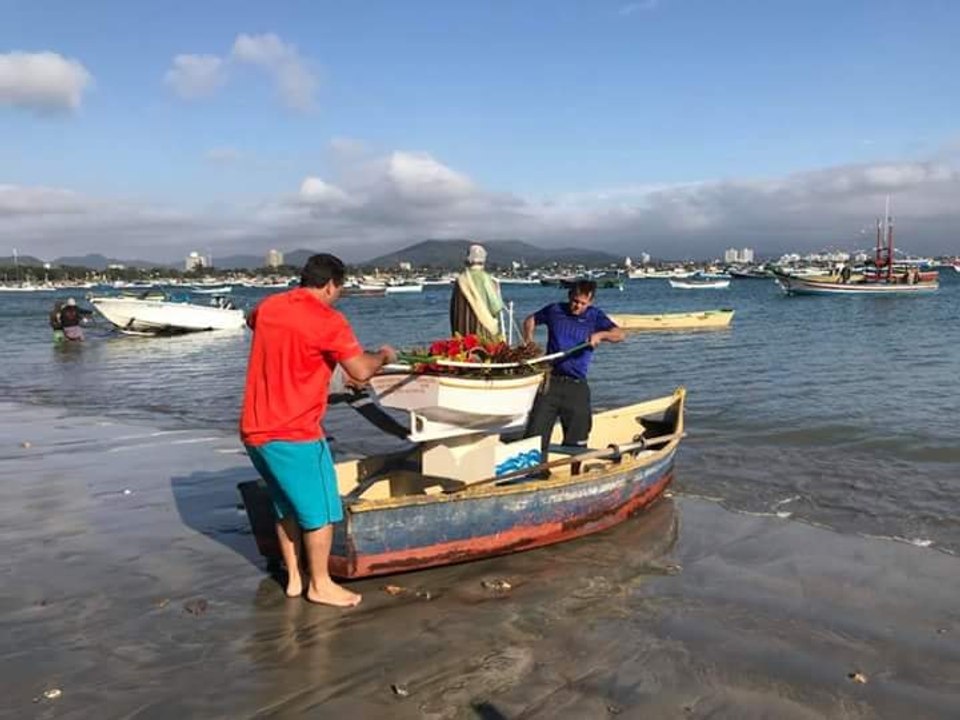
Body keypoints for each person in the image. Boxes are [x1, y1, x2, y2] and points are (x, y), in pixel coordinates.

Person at [240, 253, 397, 608]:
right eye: (338, 289)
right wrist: (383, 356)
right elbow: (359, 371)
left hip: (254, 430)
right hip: (294, 432)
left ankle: (295, 578)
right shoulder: (329, 321)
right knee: (321, 512)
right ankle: (321, 584)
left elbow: (252, 320)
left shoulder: (269, 306)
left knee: (286, 506)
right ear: (330, 285)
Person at [522, 280, 624, 464]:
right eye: (575, 301)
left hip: (577, 385)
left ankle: (574, 474)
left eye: (583, 303)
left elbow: (619, 334)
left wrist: (601, 335)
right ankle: (534, 473)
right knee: (535, 435)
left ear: (590, 302)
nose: (577, 306)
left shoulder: (595, 316)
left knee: (577, 440)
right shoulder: (555, 310)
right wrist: (529, 340)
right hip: (550, 382)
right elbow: (530, 320)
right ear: (570, 297)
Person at [449, 243, 505, 341]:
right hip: (482, 329)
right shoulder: (485, 278)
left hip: (462, 331)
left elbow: (453, 308)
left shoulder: (460, 280)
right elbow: (495, 306)